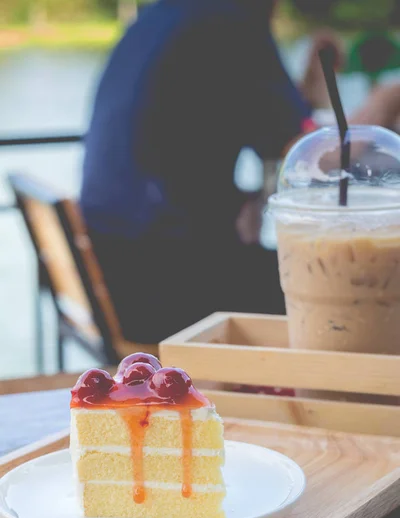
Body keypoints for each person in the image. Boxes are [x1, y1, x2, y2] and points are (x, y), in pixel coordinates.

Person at [80, 0, 400, 344]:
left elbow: (276, 130)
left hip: (121, 266)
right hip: (171, 283)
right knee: (354, 289)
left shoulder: (171, 15)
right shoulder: (232, 23)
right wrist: (387, 98)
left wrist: (311, 89)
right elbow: (320, 159)